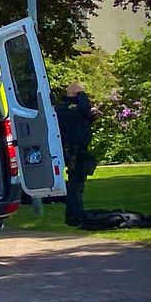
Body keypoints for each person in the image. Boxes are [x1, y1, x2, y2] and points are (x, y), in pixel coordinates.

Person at [54, 82, 97, 226]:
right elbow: (82, 110)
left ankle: (75, 213)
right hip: (73, 152)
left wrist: (91, 117)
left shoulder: (71, 111)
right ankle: (74, 214)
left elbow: (80, 121)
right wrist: (80, 93)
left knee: (77, 186)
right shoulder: (62, 110)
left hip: (79, 152)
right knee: (75, 186)